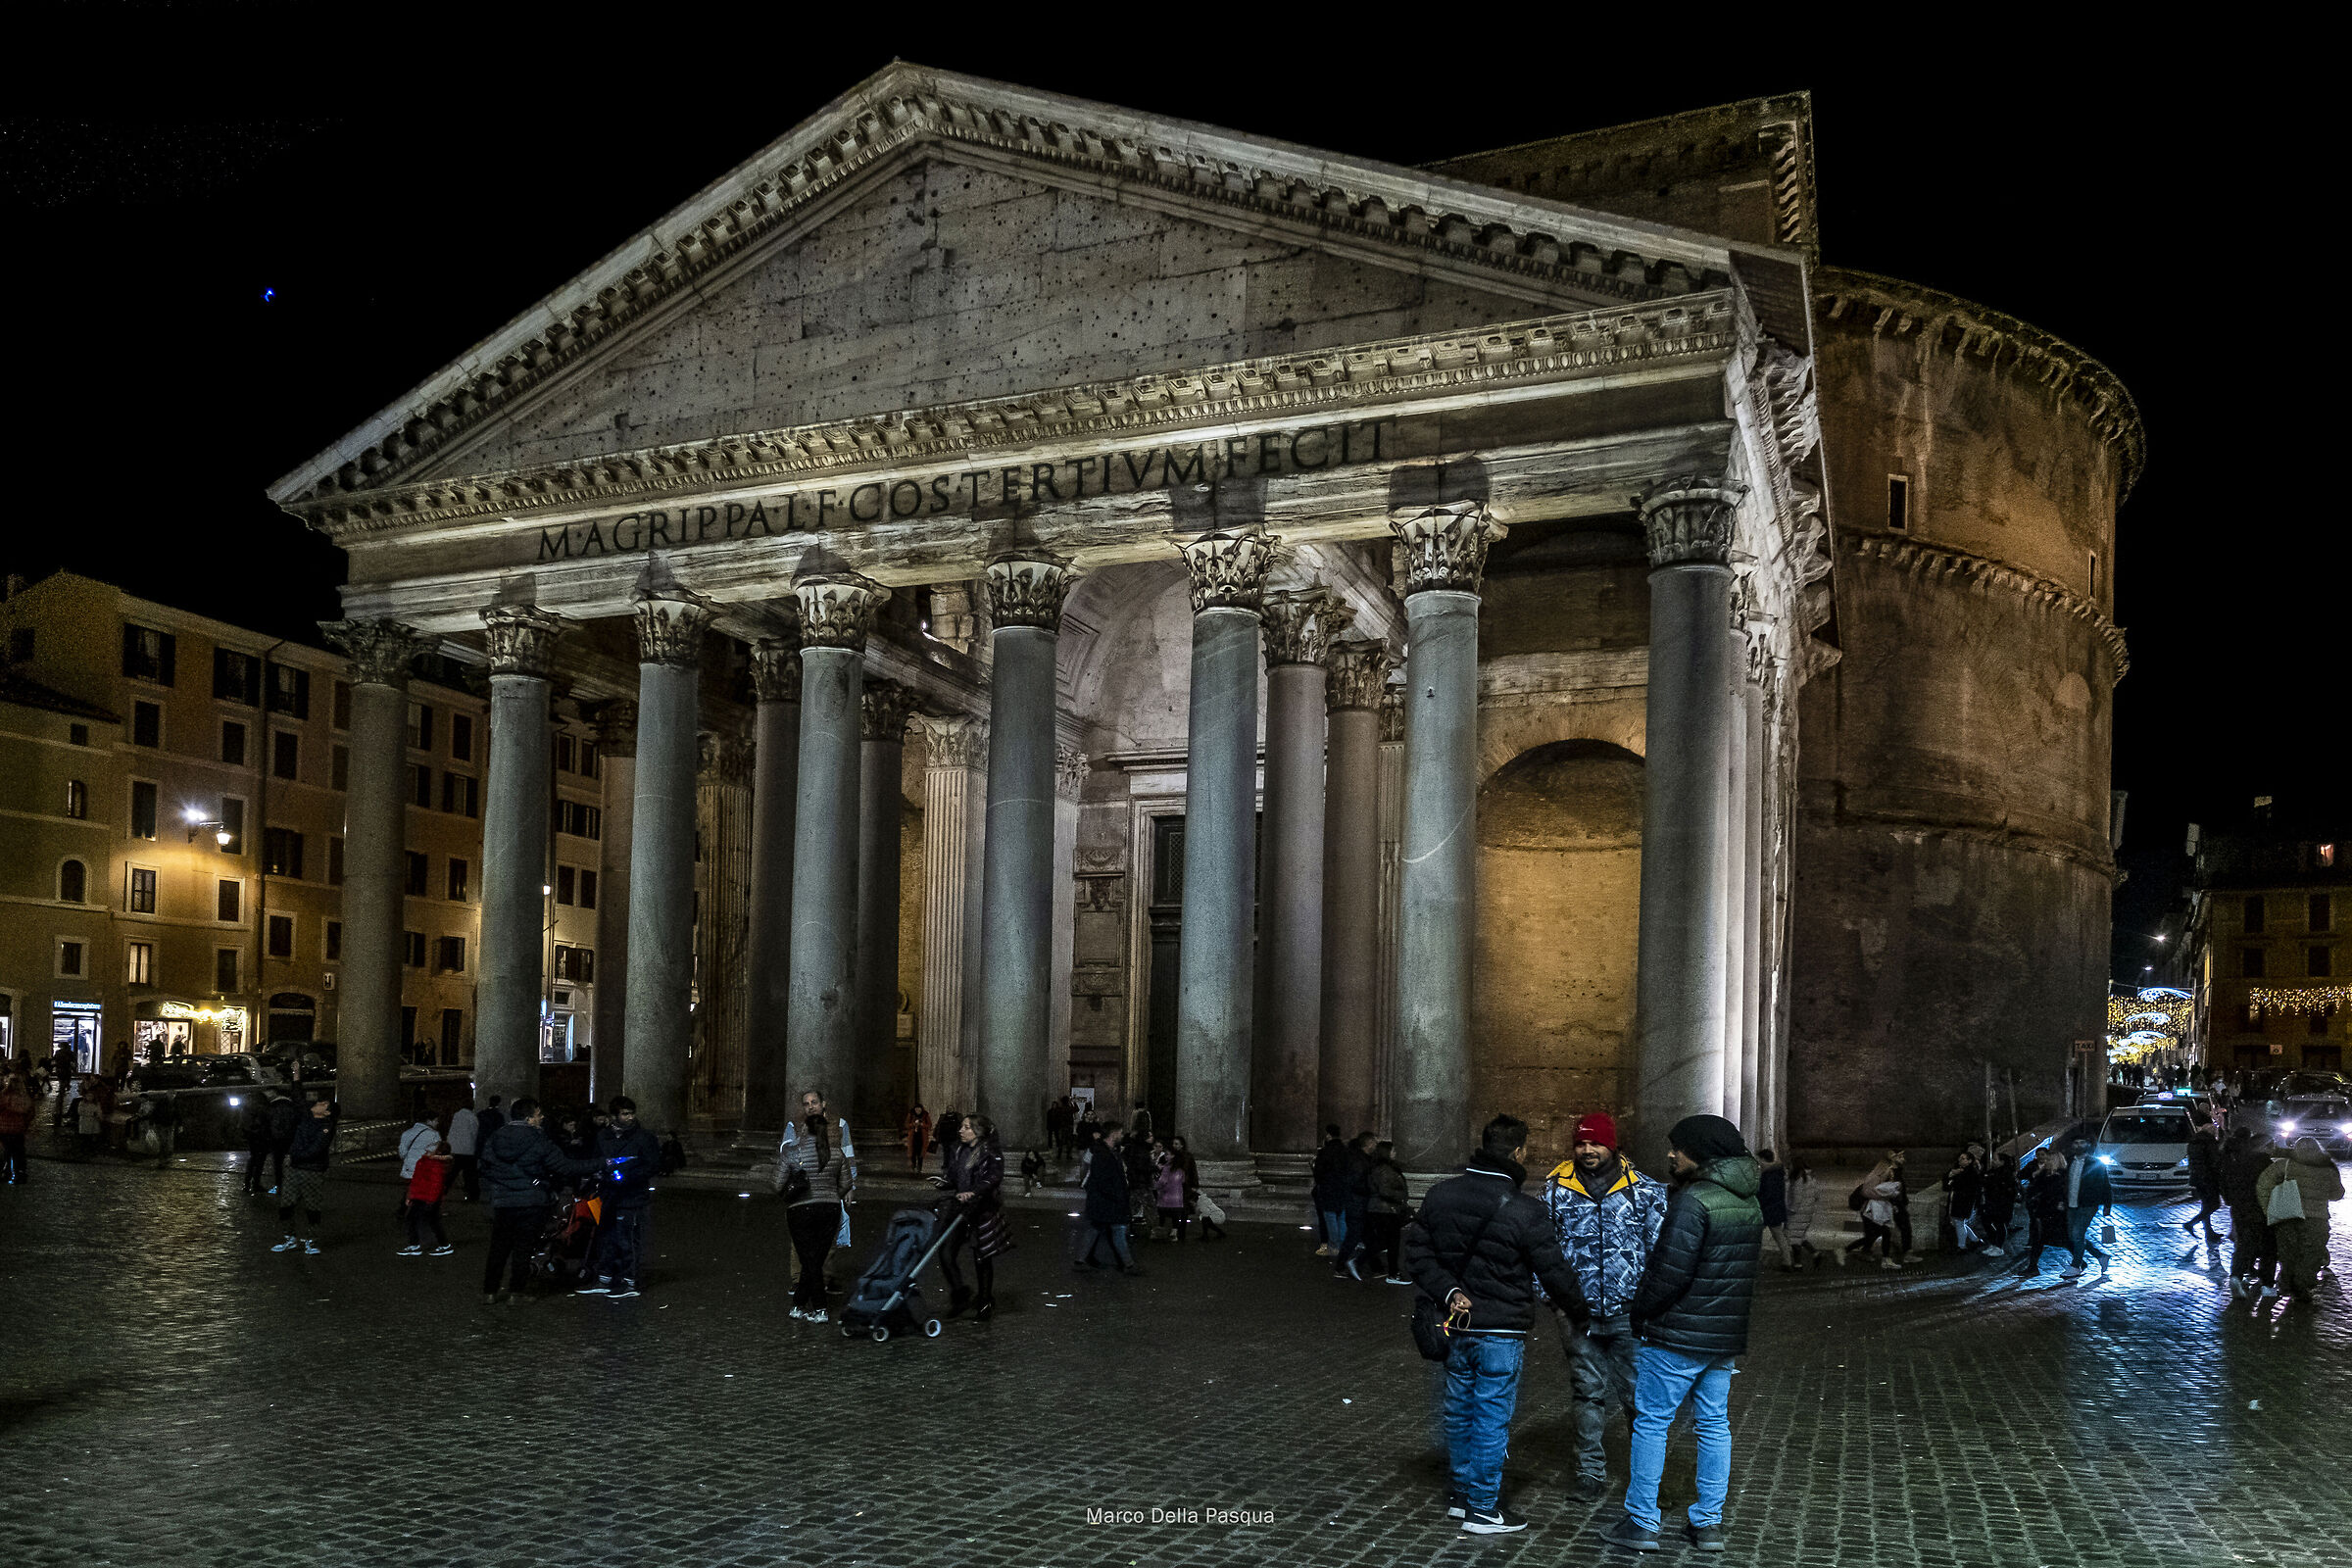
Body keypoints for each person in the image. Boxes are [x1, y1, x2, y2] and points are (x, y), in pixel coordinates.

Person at [1403, 1113, 1587, 1537]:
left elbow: (1417, 1254)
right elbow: (1554, 1271)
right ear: (1519, 1152)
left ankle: (1462, 1494)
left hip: (1454, 1323)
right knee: (1490, 1416)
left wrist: (1449, 1291)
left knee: (1458, 1409)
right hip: (1501, 1328)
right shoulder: (1526, 1210)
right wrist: (1580, 1311)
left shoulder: (1441, 1195)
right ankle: (1483, 1509)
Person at [1602, 1114, 1762, 1556]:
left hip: (1677, 1334)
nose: (1671, 1154)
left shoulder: (1695, 1201)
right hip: (1723, 1336)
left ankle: (1641, 1521)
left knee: (1652, 1423)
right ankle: (1709, 1524)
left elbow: (1668, 1274)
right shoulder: (1748, 1199)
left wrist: (1640, 1315)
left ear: (1700, 1151)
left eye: (1678, 1147)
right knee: (1714, 1426)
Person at [1541, 1110, 1668, 1505]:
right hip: (1577, 1315)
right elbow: (1541, 1251)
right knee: (1587, 1393)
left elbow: (1661, 1253)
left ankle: (1648, 1480)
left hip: (1630, 1315)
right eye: (1581, 1143)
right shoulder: (1555, 1191)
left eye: (1595, 1143)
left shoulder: (1645, 1191)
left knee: (1638, 1399)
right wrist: (1554, 1301)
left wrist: (1649, 1305)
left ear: (1612, 1145)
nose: (1588, 1150)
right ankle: (1589, 1472)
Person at [477, 1096, 604, 1303]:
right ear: (529, 1119)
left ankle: (489, 1292)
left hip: (503, 1201)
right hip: (531, 1201)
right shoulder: (539, 1139)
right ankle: (515, 1292)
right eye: (538, 1114)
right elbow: (565, 1166)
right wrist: (602, 1163)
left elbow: (485, 1167)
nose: (542, 1117)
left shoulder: (496, 1137)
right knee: (523, 1247)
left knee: (498, 1247)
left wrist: (504, 1183)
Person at [777, 1088, 856, 1321]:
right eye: (806, 1103)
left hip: (822, 1198)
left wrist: (847, 1189)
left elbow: (847, 1157)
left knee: (820, 1249)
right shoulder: (794, 1126)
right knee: (806, 1249)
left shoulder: (839, 1125)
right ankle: (809, 1294)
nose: (810, 1106)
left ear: (824, 1104)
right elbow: (785, 1152)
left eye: (814, 1102)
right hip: (809, 1198)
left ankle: (809, 1297)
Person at [582, 1096, 662, 1299]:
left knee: (628, 1240)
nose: (630, 1117)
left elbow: (652, 1165)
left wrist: (627, 1175)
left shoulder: (644, 1137)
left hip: (631, 1195)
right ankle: (604, 1278)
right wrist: (599, 1174)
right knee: (606, 1237)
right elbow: (596, 1159)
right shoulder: (603, 1136)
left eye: (631, 1113)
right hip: (608, 1194)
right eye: (625, 1114)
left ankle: (630, 1281)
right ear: (614, 1116)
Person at [935, 1112, 1010, 1319]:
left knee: (982, 1256)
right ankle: (960, 1294)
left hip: (981, 1208)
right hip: (961, 1208)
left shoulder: (990, 1152)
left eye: (966, 1127)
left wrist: (975, 1192)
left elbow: (993, 1177)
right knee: (946, 1252)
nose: (961, 1130)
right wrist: (945, 1183)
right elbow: (954, 1177)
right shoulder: (959, 1150)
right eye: (962, 1127)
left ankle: (985, 1301)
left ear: (978, 1131)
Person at [2255, 1135, 2344, 1306]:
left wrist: (2269, 1209)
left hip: (2288, 1216)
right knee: (2312, 1253)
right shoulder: (2328, 1168)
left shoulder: (2285, 1165)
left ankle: (2287, 1284)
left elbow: (2263, 1184)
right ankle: (2300, 1284)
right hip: (2316, 1219)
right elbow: (2337, 1194)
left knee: (2289, 1254)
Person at [271, 1097, 339, 1255]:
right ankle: (290, 1237)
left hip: (312, 1170)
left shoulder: (326, 1127)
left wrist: (293, 1156)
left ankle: (311, 1239)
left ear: (327, 1113)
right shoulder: (306, 1118)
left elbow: (316, 1149)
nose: (319, 1103)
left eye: (324, 1104)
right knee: (286, 1204)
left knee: (312, 1206)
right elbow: (299, 1100)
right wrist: (296, 1076)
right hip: (296, 1168)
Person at [1078, 1123, 1140, 1274]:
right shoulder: (1103, 1154)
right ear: (1112, 1134)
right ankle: (1128, 1265)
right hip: (1107, 1201)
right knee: (1117, 1230)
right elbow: (1103, 1180)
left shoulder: (1106, 1151)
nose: (1122, 1135)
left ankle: (1081, 1260)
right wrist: (1118, 1196)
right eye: (1120, 1132)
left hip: (1104, 1200)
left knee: (1096, 1229)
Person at [2222, 1128, 2275, 1298]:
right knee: (2268, 1248)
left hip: (2240, 1210)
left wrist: (2232, 1201)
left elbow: (2226, 1184)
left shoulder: (2238, 1163)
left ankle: (2236, 1275)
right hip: (2263, 1211)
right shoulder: (2268, 1166)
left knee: (2244, 1244)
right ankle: (2267, 1285)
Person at [2059, 1134, 2113, 1280]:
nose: (2078, 1145)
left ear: (2087, 1145)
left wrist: (2107, 1205)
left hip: (2088, 1204)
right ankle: (2100, 1256)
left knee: (2077, 1234)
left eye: (2081, 1142)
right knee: (2074, 1236)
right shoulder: (2068, 1161)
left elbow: (2105, 1184)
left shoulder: (2095, 1163)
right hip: (2071, 1203)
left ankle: (2076, 1266)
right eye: (2076, 1142)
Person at [398, 1138, 455, 1257]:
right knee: (430, 1221)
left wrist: (428, 1200)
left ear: (438, 1152)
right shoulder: (428, 1162)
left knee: (414, 1219)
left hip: (425, 1197)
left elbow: (435, 1184)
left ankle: (416, 1245)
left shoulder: (430, 1163)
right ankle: (443, 1245)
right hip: (424, 1197)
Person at [1334, 1132, 1377, 1280]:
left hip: (1357, 1203)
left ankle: (1355, 1264)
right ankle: (1343, 1266)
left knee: (1364, 1237)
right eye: (1374, 1142)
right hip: (1358, 1204)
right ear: (1368, 1144)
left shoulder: (1359, 1159)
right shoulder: (1360, 1162)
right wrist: (1372, 1189)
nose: (1375, 1145)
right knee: (1355, 1236)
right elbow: (1356, 1183)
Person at [1366, 1139, 1411, 1281]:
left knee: (1387, 1242)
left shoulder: (1383, 1168)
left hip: (1385, 1209)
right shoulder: (1385, 1170)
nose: (1395, 1153)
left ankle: (1391, 1271)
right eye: (1392, 1150)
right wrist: (1401, 1198)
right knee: (1392, 1243)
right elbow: (1385, 1191)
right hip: (1386, 1210)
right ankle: (1393, 1273)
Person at [2022, 1147, 2070, 1275]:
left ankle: (2088, 1259)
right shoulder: (2045, 1174)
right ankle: (2032, 1267)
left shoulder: (2060, 1176)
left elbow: (2056, 1193)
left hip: (2053, 1212)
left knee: (2063, 1240)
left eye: (2049, 1159)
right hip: (2043, 1211)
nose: (2045, 1161)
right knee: (2039, 1239)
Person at [1310, 1124, 1349, 1260]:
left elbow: (1318, 1173)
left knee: (1330, 1216)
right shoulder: (1345, 1151)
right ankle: (1344, 1244)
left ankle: (1333, 1246)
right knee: (1342, 1216)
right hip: (1343, 1187)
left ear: (1328, 1135)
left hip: (1328, 1188)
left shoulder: (1325, 1152)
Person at [2182, 1120, 2224, 1244]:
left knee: (2206, 1205)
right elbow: (2214, 1160)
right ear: (2212, 1131)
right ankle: (2191, 1223)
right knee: (2214, 1205)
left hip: (2196, 1177)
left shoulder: (2194, 1141)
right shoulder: (2209, 1141)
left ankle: (2209, 1232)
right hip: (2208, 1178)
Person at [1941, 1144, 1985, 1253]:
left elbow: (1967, 1187)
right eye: (1960, 1158)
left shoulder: (1970, 1173)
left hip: (1963, 1201)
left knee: (1959, 1222)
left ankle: (1962, 1246)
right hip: (1957, 1200)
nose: (1960, 1160)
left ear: (1970, 1161)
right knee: (1959, 1222)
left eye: (1963, 1159)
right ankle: (1975, 1240)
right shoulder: (1959, 1171)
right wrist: (1952, 1174)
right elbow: (1946, 1184)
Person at [397, 1107, 441, 1213]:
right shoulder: (434, 1135)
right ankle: (424, 1211)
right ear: (429, 1121)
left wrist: (408, 1160)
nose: (437, 1123)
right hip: (424, 1168)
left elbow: (402, 1151)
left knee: (410, 1188)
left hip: (409, 1167)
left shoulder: (407, 1133)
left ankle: (403, 1209)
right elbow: (434, 1153)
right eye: (436, 1120)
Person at [1784, 1155, 1824, 1267]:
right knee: (1799, 1236)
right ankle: (1815, 1253)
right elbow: (1817, 1195)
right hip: (1807, 1212)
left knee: (1793, 1238)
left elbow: (1797, 1198)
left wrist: (1791, 1209)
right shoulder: (1810, 1177)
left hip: (1797, 1213)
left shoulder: (1798, 1179)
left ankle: (1798, 1264)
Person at [1978, 1152, 2019, 1257]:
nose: (1992, 1161)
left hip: (2002, 1203)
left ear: (2002, 1162)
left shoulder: (2007, 1174)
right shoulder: (1991, 1172)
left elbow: (2009, 1190)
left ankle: (1999, 1246)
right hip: (1990, 1202)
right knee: (1987, 1222)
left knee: (2000, 1224)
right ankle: (1993, 1243)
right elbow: (1983, 1181)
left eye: (1995, 1159)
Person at [1757, 1149, 1792, 1269]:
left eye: (1760, 1160)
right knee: (1779, 1236)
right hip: (1776, 1208)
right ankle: (1787, 1261)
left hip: (1767, 1209)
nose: (1759, 1163)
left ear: (1763, 1159)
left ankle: (1753, 1260)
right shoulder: (1778, 1173)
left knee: (1755, 1235)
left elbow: (1766, 1194)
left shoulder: (1768, 1175)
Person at [239, 1092, 274, 1196]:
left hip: (253, 1136)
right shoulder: (259, 1108)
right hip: (259, 1136)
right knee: (258, 1160)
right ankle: (254, 1184)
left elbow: (244, 1124)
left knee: (254, 1159)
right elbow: (260, 1123)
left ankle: (249, 1183)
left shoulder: (246, 1109)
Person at [0, 1069, 32, 1185]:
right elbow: (29, 1111)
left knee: (8, 1151)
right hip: (18, 1127)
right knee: (18, 1151)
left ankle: (7, 1171)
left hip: (5, 1127)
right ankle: (19, 1173)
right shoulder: (23, 1097)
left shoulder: (4, 1095)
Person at [447, 1100, 481, 1201]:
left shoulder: (456, 1115)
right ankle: (473, 1196)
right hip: (468, 1150)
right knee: (470, 1175)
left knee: (452, 1173)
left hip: (455, 1149)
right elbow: (475, 1132)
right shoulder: (472, 1117)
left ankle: (441, 1191)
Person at [905, 1103, 932, 1175]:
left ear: (921, 1109)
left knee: (921, 1153)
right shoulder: (911, 1115)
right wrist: (913, 1124)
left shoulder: (925, 1115)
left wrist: (923, 1125)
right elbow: (907, 1124)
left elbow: (929, 1125)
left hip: (922, 1137)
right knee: (913, 1152)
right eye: (916, 1109)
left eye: (919, 1109)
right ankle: (913, 1166)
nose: (918, 1111)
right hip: (913, 1137)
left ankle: (919, 1167)